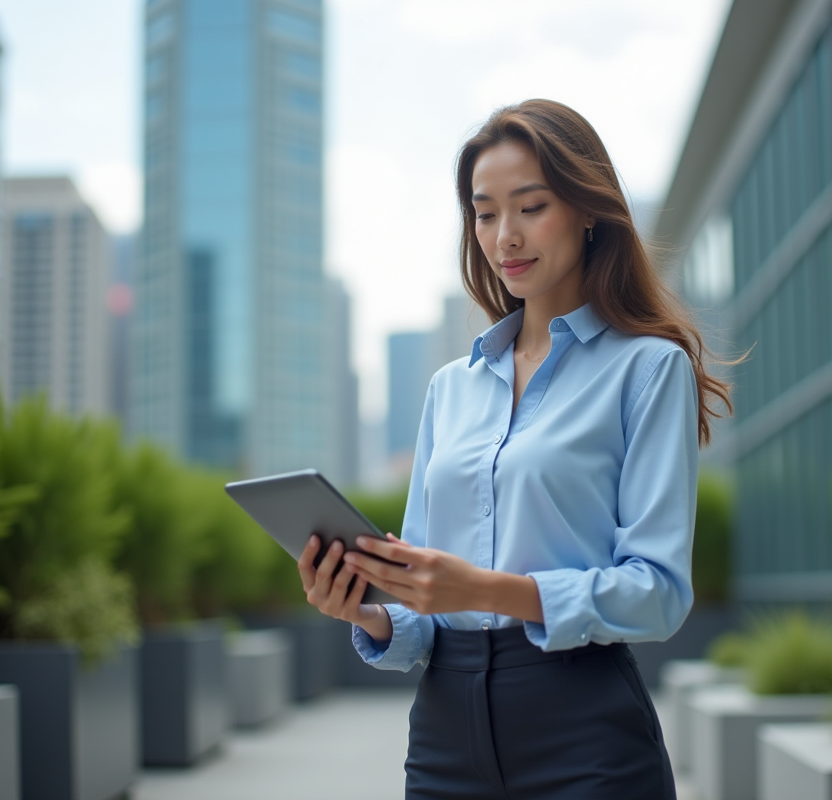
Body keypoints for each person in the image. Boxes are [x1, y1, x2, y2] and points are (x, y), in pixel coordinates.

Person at [297, 99, 733, 799]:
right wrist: (365, 609)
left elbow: (657, 593)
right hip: (444, 736)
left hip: (584, 730)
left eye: (531, 207)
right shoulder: (450, 388)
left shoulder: (647, 369)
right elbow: (422, 609)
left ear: (587, 210)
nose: (506, 237)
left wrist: (484, 589)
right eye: (485, 213)